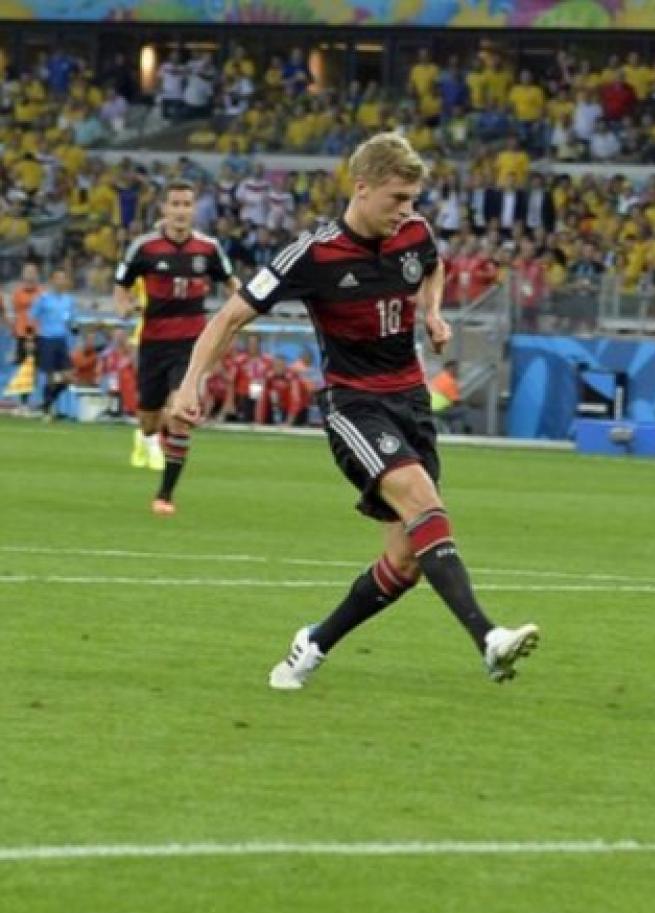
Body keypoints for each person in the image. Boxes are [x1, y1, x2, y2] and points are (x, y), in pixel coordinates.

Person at [165, 133, 539, 690]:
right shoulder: (311, 254)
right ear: (361, 189)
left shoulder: (414, 233)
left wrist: (433, 314)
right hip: (355, 404)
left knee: (407, 562)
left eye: (412, 198)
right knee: (422, 500)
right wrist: (193, 382)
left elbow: (431, 268)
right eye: (396, 198)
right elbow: (227, 320)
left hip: (411, 399)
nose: (406, 210)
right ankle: (488, 638)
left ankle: (312, 644)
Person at [114, 180, 239, 514]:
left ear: (193, 209)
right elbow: (121, 286)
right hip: (153, 344)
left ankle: (164, 496)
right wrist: (124, 306)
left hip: (193, 345)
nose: (181, 210)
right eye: (176, 204)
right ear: (165, 209)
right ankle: (148, 437)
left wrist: (239, 312)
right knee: (149, 421)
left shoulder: (209, 249)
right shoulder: (144, 248)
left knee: (179, 415)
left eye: (187, 204)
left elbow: (232, 285)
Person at [29, 267, 77, 418]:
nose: (60, 281)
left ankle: (47, 402)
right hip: (46, 339)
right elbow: (32, 318)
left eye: (63, 279)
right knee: (51, 376)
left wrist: (75, 329)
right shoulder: (43, 299)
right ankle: (48, 408)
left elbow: (71, 321)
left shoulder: (69, 300)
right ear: (52, 281)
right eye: (58, 278)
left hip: (62, 340)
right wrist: (30, 339)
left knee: (68, 377)